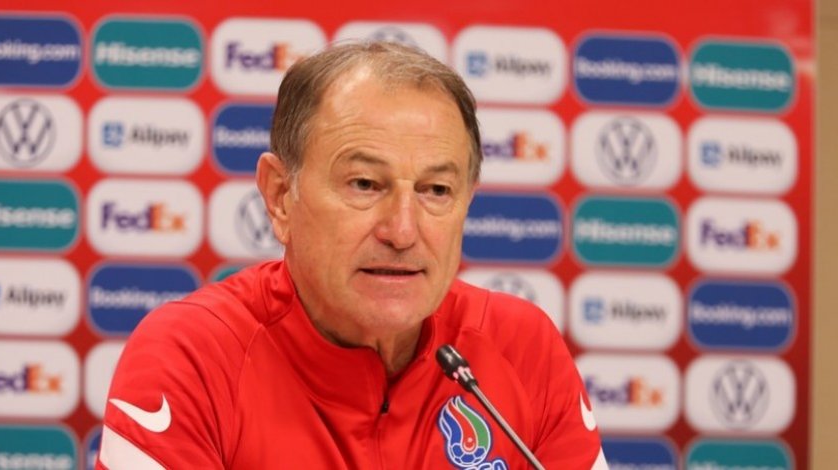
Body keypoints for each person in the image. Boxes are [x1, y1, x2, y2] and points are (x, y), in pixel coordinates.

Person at [97, 41, 606, 469]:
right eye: (364, 184)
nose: (402, 231)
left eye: (435, 190)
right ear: (280, 197)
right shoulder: (193, 355)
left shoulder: (521, 346)